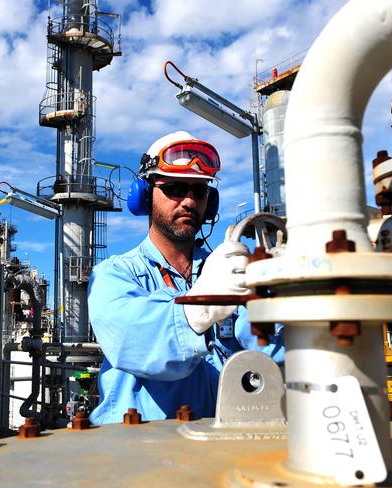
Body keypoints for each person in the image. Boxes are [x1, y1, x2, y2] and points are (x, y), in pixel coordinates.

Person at [87, 131, 284, 425]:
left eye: (200, 191)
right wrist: (201, 306)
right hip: (136, 448)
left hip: (219, 442)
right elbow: (133, 340)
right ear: (144, 194)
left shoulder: (226, 272)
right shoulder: (115, 275)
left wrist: (289, 296)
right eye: (176, 189)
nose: (189, 201)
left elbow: (269, 347)